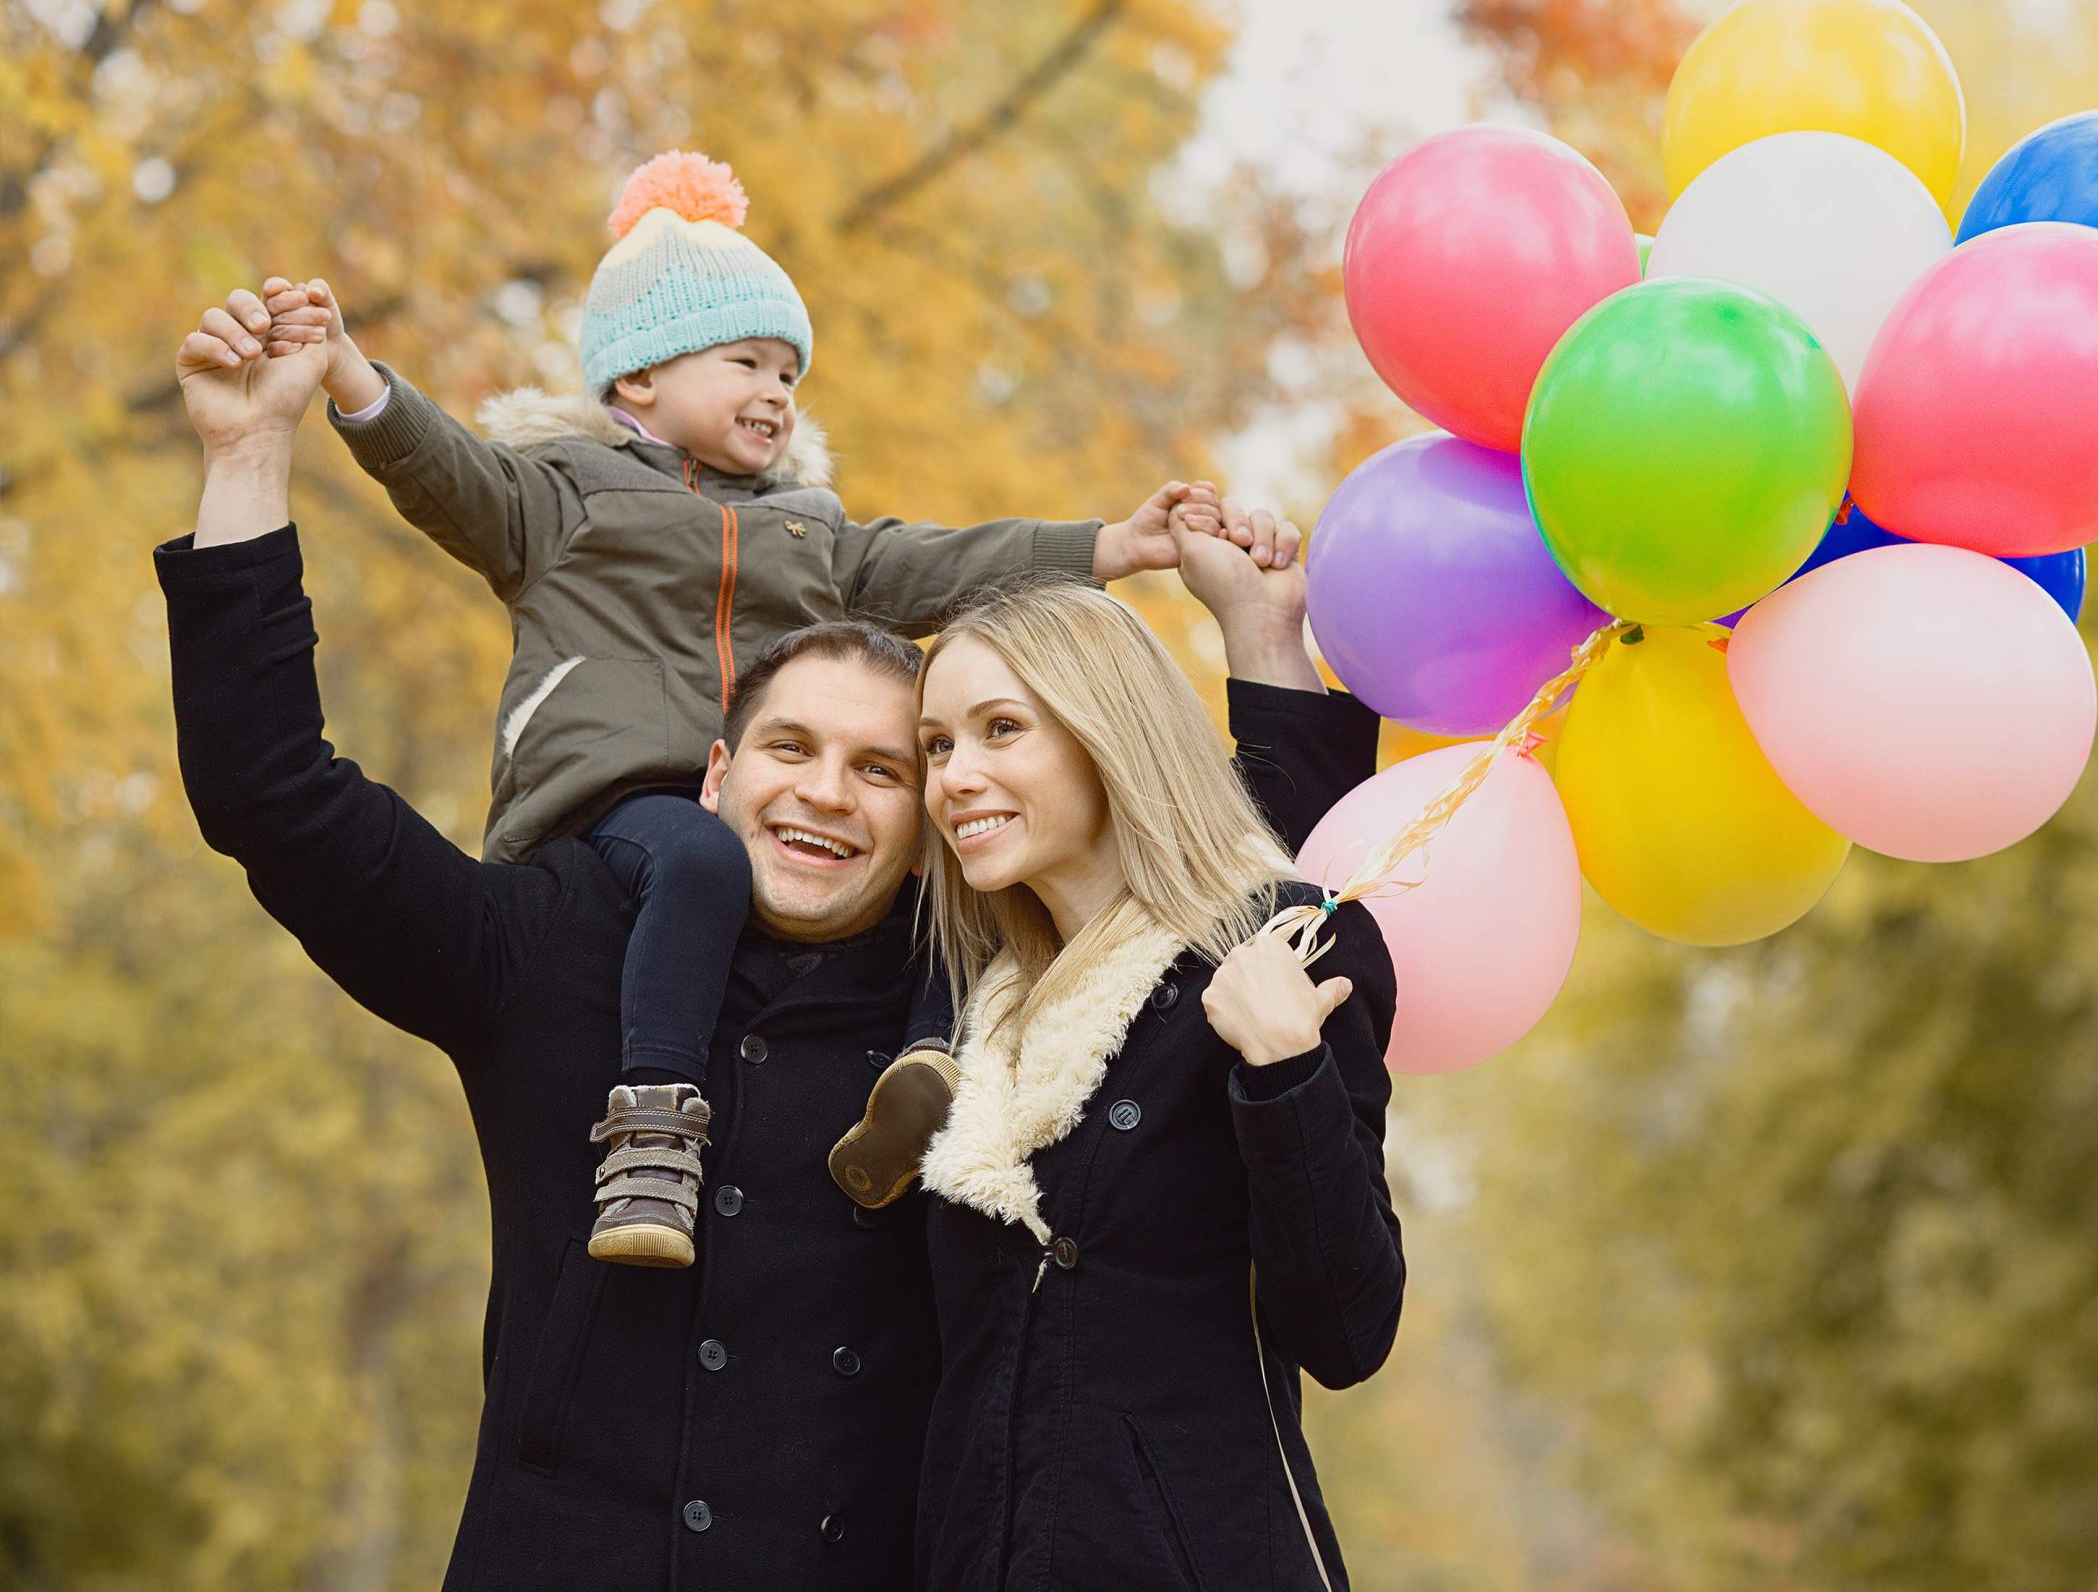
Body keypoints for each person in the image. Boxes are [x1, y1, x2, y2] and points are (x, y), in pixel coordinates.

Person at [165, 293, 1378, 1590]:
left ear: (930, 815)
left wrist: (1263, 640)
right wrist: (248, 454)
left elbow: (1231, 910)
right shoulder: (554, 944)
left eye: (885, 766)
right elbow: (275, 795)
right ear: (715, 776)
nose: (825, 794)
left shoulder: (986, 1016)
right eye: (790, 748)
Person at [243, 149, 1252, 1269]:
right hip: (616, 798)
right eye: (747, 363)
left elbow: (938, 565)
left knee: (943, 850)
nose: (777, 393)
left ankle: (927, 1065)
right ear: (639, 379)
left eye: (788, 373)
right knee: (702, 861)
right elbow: (444, 472)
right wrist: (350, 375)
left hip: (748, 793)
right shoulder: (563, 500)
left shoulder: (805, 528)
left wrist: (1109, 545)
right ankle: (653, 1123)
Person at [907, 551, 1402, 1591]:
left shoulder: (1276, 948)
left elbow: (1347, 1330)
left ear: (1109, 733)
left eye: (1001, 728)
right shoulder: (971, 1012)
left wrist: (1287, 1070)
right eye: (936, 743)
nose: (953, 776)